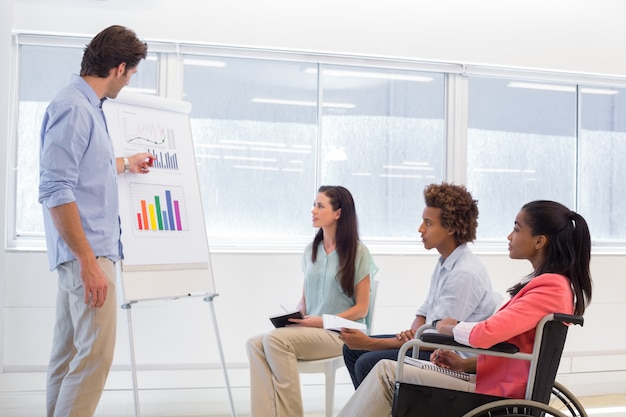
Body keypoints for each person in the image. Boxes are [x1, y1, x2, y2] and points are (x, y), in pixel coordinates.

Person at [336, 200, 593, 417]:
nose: (509, 236)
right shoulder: (549, 284)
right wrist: (463, 364)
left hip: (496, 391)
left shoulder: (550, 286)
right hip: (490, 379)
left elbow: (487, 334)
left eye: (516, 229)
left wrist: (452, 328)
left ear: (539, 241)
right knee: (384, 367)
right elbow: (517, 352)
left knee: (385, 370)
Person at [38, 25, 152, 417]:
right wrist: (88, 262)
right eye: (133, 73)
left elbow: (86, 171)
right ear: (119, 68)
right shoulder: (74, 107)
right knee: (93, 362)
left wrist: (126, 164)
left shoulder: (85, 107)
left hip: (82, 255)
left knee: (69, 358)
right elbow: (56, 188)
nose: (130, 80)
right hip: (88, 256)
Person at [340, 182, 496, 388]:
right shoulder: (445, 263)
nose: (420, 229)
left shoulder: (464, 273)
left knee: (367, 361)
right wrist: (411, 335)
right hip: (428, 343)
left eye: (428, 223)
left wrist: (370, 343)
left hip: (447, 357)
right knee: (352, 351)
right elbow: (424, 314)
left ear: (451, 228)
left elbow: (436, 339)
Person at [246, 185, 378, 417]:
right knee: (254, 344)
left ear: (338, 213)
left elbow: (361, 308)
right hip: (312, 329)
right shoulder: (311, 251)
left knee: (275, 341)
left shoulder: (358, 252)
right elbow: (305, 301)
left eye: (320, 206)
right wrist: (294, 317)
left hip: (341, 334)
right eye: (314, 205)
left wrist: (321, 321)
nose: (313, 210)